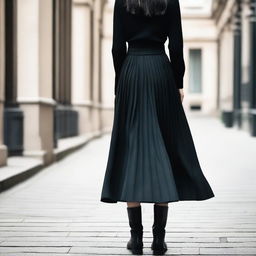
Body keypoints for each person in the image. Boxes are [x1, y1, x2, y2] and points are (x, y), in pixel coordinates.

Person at [100, 0, 215, 255]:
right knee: (164, 145)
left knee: (132, 150)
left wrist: (121, 82)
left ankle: (136, 238)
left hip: (132, 71)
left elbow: (117, 48)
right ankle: (159, 239)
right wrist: (178, 81)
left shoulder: (123, 2)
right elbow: (176, 45)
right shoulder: (169, 1)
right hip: (161, 72)